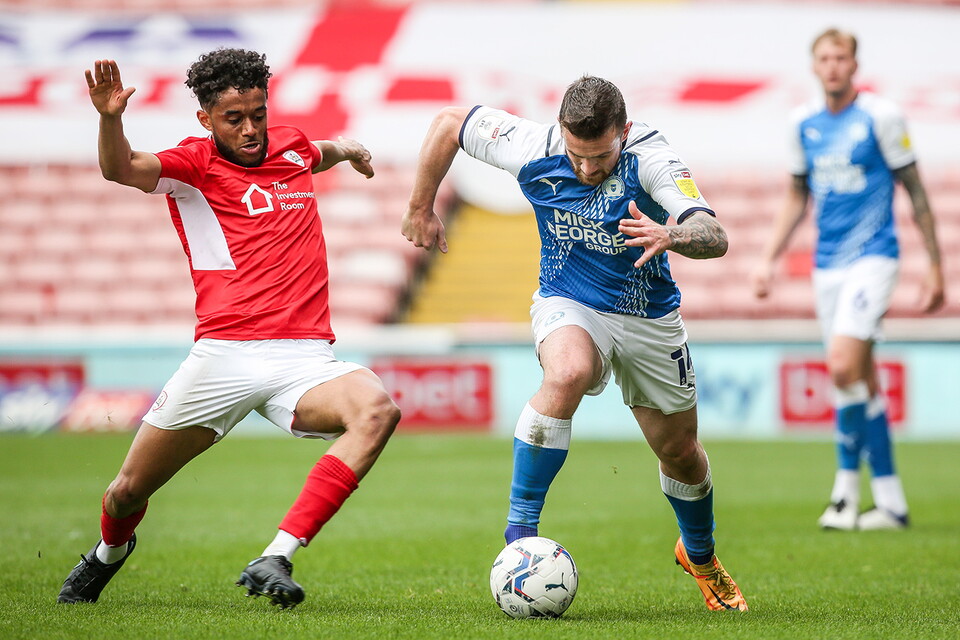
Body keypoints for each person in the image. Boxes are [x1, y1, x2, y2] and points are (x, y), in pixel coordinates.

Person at [57, 49, 401, 608]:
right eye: (233, 119)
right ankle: (107, 556)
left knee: (378, 410)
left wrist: (350, 151)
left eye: (257, 114)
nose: (250, 129)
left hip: (305, 360)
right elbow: (120, 169)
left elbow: (320, 152)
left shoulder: (289, 145)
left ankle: (277, 554)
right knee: (124, 494)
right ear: (205, 119)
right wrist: (110, 118)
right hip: (224, 355)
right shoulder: (192, 167)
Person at [402, 76, 747, 612]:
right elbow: (449, 123)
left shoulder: (651, 159)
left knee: (680, 453)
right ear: (560, 130)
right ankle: (519, 542)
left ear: (624, 133)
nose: (586, 168)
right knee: (566, 373)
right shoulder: (531, 145)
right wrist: (421, 206)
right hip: (569, 300)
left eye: (600, 155)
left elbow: (714, 236)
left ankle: (700, 556)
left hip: (648, 317)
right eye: (576, 153)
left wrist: (672, 234)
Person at [752, 29, 944, 531]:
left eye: (841, 58)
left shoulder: (881, 117)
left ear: (855, 65)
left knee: (840, 367)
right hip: (827, 266)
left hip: (874, 258)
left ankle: (843, 494)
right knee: (861, 377)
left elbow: (917, 192)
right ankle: (891, 503)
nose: (833, 66)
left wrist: (936, 267)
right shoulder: (803, 124)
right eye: (824, 58)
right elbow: (798, 195)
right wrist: (768, 258)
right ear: (814, 66)